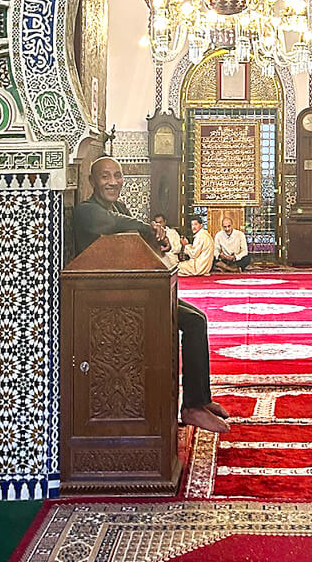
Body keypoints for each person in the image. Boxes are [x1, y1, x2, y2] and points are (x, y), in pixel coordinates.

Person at [70, 159, 229, 434]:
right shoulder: (87, 211)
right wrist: (149, 227)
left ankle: (199, 400)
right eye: (105, 177)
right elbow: (113, 225)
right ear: (92, 182)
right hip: (105, 302)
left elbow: (135, 237)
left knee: (197, 319)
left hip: (134, 290)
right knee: (192, 322)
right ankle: (191, 407)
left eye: (117, 175)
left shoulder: (119, 207)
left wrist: (159, 240)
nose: (113, 182)